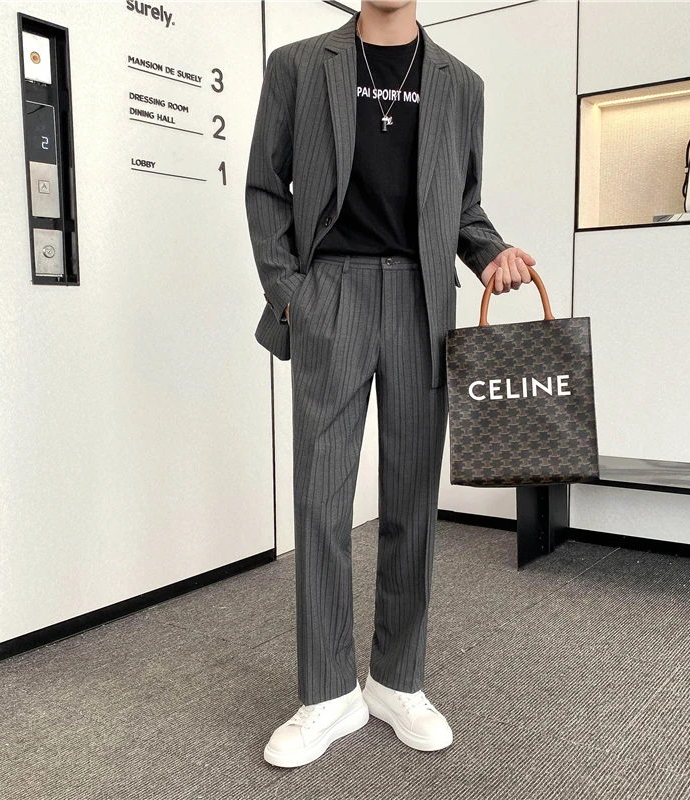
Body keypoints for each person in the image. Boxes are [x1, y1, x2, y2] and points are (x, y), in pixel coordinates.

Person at [245, 0, 535, 768]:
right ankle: (327, 693)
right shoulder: (299, 66)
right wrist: (291, 294)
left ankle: (397, 680)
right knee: (320, 499)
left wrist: (493, 254)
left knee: (410, 498)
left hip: (421, 298)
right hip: (330, 293)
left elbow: (463, 206)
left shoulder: (461, 84)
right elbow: (266, 187)